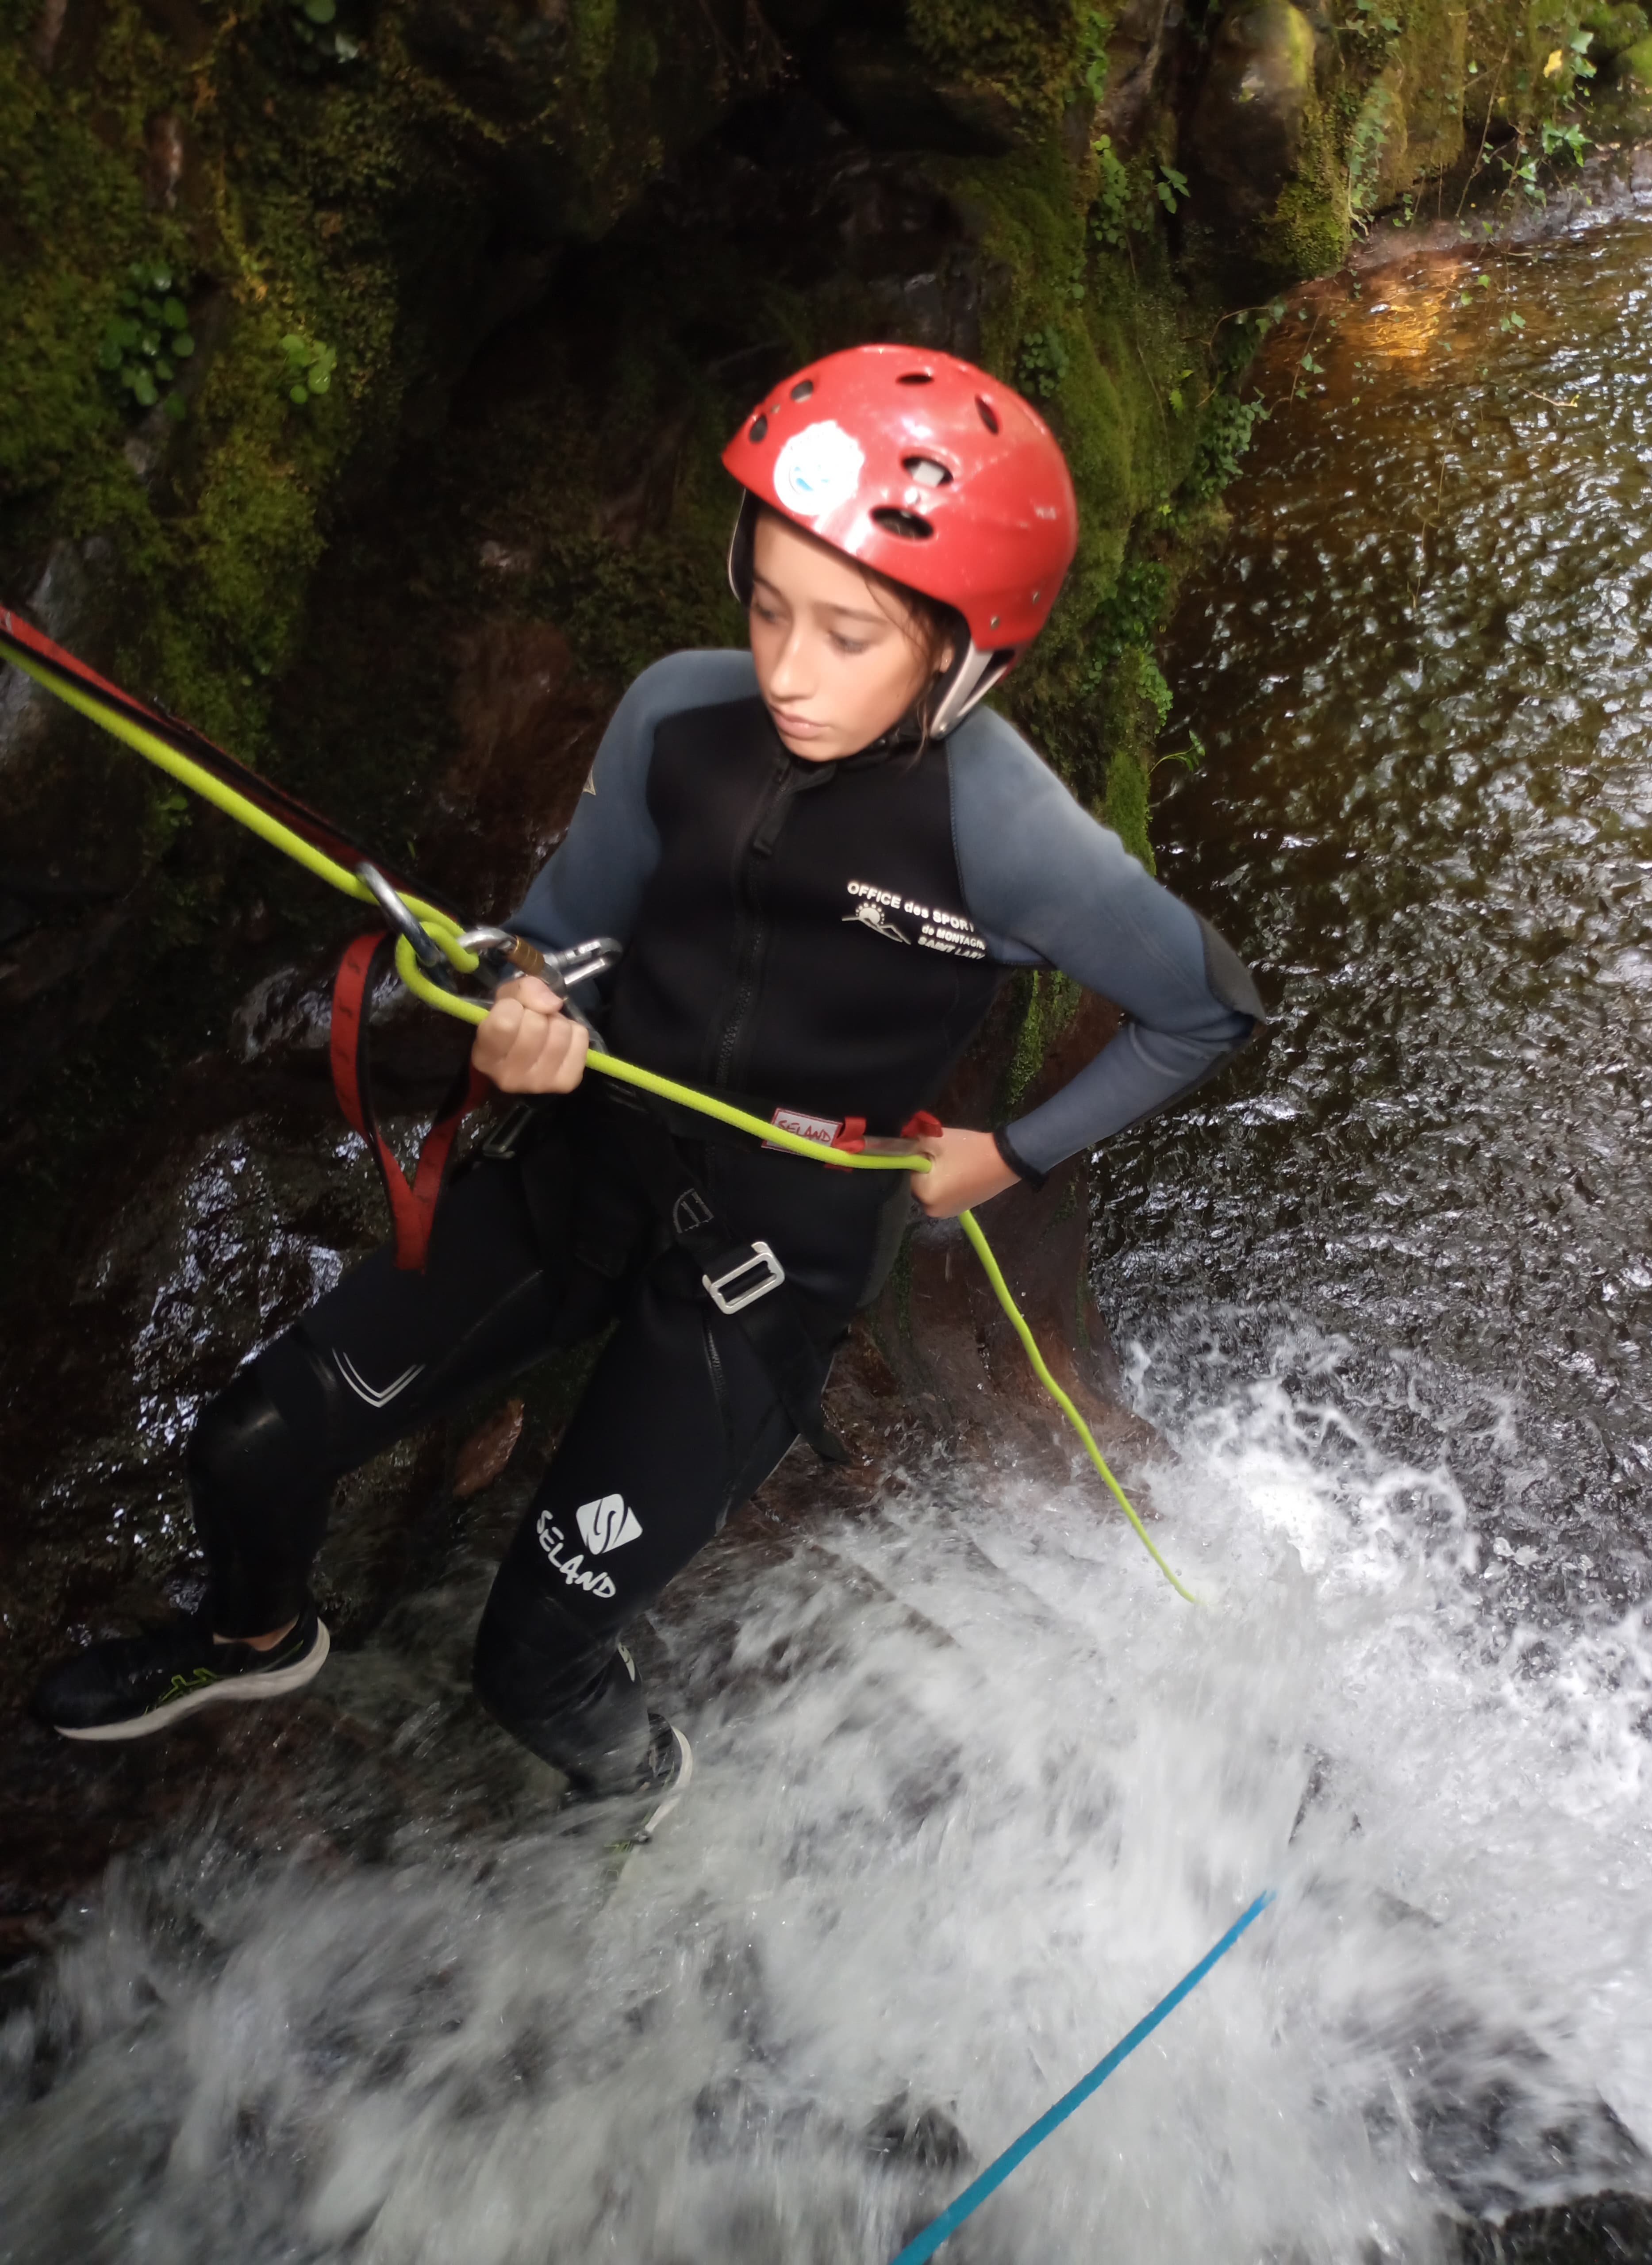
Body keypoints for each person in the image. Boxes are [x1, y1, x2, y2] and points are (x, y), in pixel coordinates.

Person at [33, 346, 1264, 1825]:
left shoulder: (1011, 834)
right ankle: (253, 1641)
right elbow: (565, 932)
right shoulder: (679, 717)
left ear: (960, 651)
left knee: (532, 1657)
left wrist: (1013, 1152)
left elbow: (1203, 1009)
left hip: (767, 1266)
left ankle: (634, 1789)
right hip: (579, 1170)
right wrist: (532, 1005)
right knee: (246, 1452)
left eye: (852, 635)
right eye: (767, 607)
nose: (790, 674)